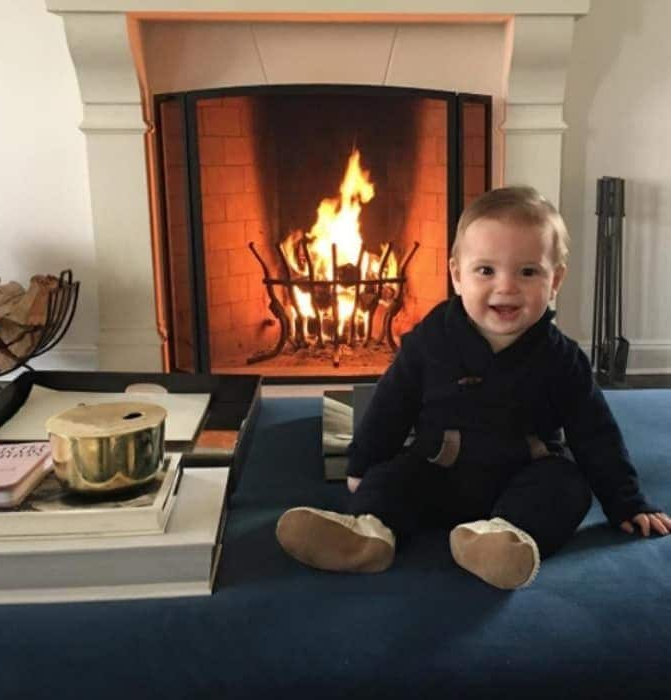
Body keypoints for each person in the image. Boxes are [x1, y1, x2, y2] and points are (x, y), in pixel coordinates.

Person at [275, 185, 671, 590]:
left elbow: (595, 432)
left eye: (528, 271)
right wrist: (362, 465)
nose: (506, 286)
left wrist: (627, 501)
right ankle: (367, 534)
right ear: (456, 275)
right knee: (394, 477)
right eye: (486, 270)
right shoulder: (431, 340)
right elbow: (392, 404)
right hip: (439, 468)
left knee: (567, 487)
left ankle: (500, 543)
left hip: (524, 473)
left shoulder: (562, 359)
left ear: (556, 280)